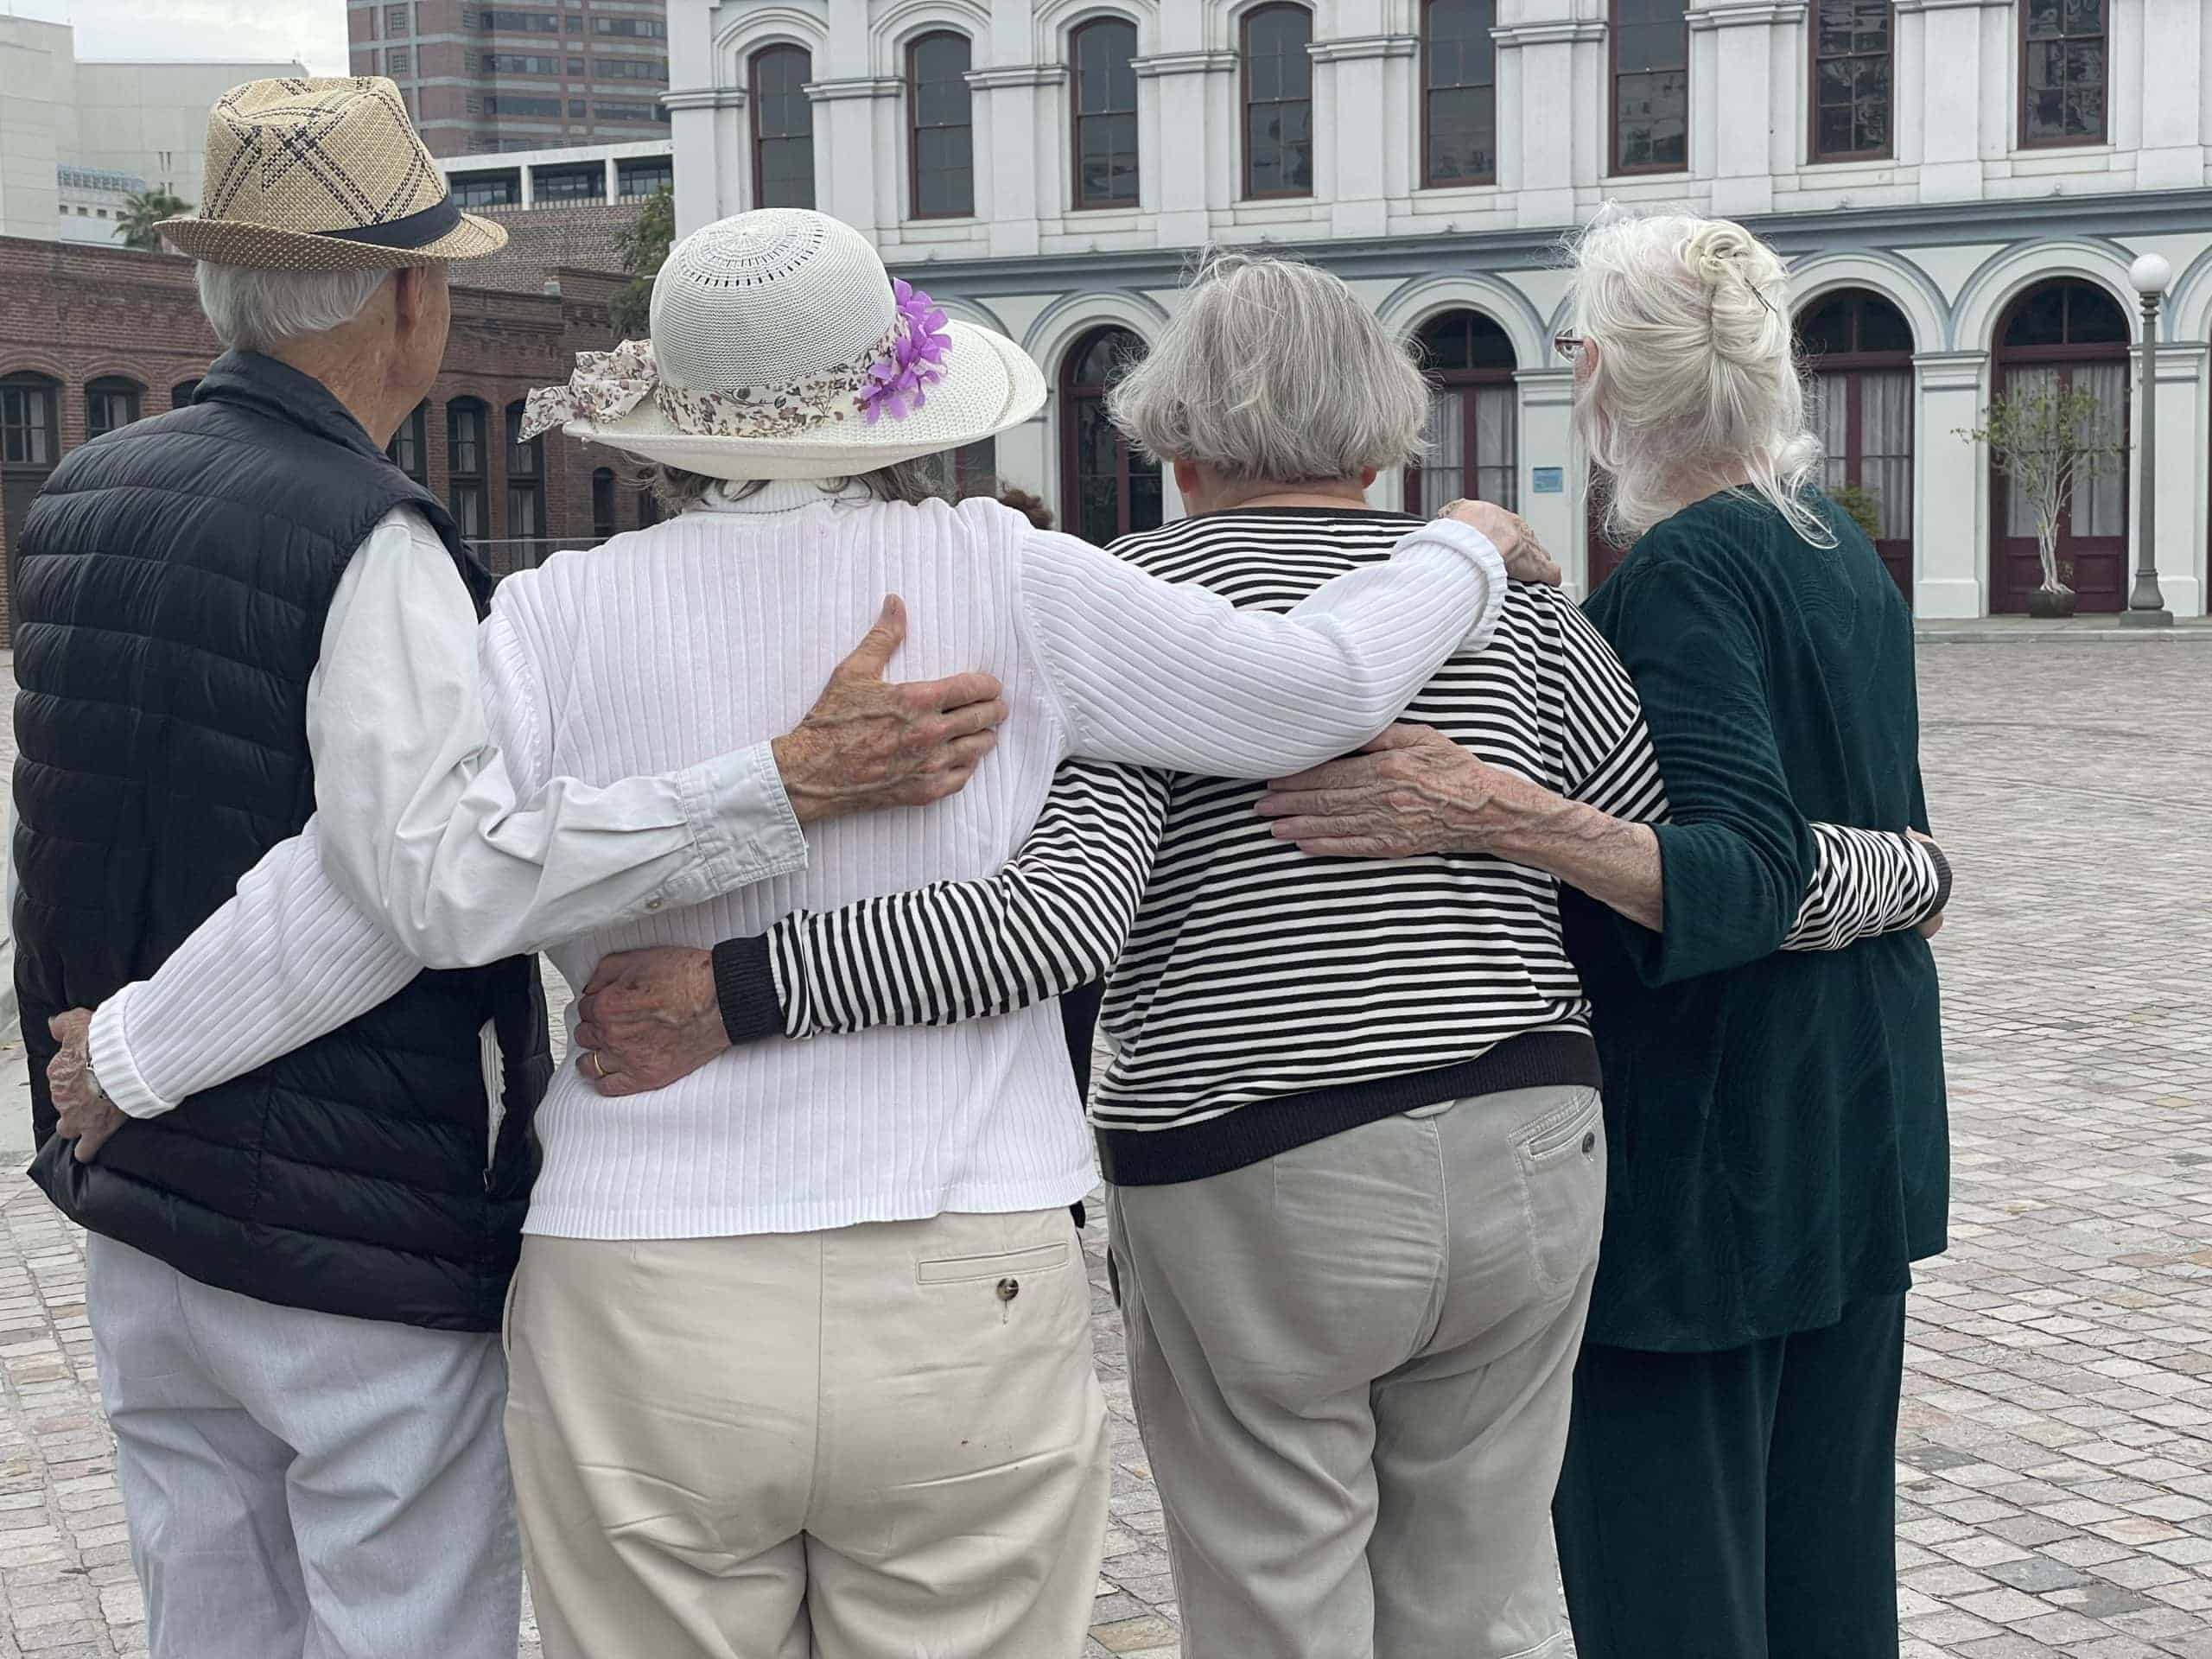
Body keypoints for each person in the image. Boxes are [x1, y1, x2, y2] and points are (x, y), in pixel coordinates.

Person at [50, 210, 1541, 1659]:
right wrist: (1461, 547)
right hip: (956, 1254)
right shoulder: (1008, 577)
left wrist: (139, 1049)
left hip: (639, 1273)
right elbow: (1312, 690)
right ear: (904, 401)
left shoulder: (555, 614)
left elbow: (373, 888)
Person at [566, 252, 1949, 1659]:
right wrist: (1907, 871)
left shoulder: (1130, 599)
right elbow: (1689, 869)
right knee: (1483, 1601)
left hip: (1254, 1156)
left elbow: (1061, 918)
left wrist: (736, 986)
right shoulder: (1515, 603)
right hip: (1528, 1137)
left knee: (1276, 1599)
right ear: (1380, 431)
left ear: (1172, 443)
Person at [20, 81, 1010, 1659]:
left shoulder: (85, 492)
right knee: (400, 1619)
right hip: (345, 1208)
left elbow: (78, 826)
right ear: (413, 299)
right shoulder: (370, 534)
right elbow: (432, 881)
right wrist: (776, 786)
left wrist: (113, 1063)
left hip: (141, 1209)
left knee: (206, 1611)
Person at [1256, 213, 1950, 1659]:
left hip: (1709, 1165)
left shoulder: (1691, 568)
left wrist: (1487, 807)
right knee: (1830, 1577)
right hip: (1853, 1125)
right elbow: (1879, 840)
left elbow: (1741, 869)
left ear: (1599, 380)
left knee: (1671, 1594)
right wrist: (1915, 873)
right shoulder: (1838, 551)